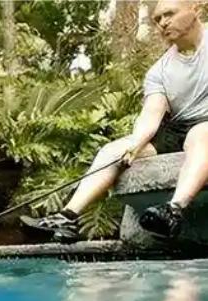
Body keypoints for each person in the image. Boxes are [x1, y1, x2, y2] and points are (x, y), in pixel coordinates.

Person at [21, 0, 208, 242]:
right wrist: (136, 143)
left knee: (201, 135)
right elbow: (151, 113)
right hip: (177, 128)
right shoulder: (159, 71)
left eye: (169, 14)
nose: (163, 23)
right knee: (113, 150)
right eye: (157, 19)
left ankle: (173, 210)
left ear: (195, 9)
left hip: (204, 127)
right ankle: (67, 217)